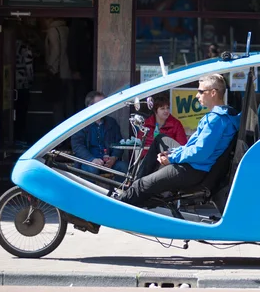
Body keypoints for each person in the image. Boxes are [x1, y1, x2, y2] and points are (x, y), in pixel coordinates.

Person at [119, 74, 240, 207]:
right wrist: (172, 152)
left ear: (213, 93)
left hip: (192, 169)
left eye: (200, 91)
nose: (197, 96)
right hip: (196, 166)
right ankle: (140, 191)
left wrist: (172, 158)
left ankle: (109, 210)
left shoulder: (216, 120)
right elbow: (194, 147)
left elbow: (200, 152)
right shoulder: (226, 114)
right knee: (160, 139)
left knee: (141, 185)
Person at [71, 91, 128, 178]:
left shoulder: (111, 122)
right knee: (92, 169)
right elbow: (77, 146)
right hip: (89, 162)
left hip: (109, 162)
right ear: (90, 107)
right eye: (101, 104)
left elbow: (119, 142)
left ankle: (118, 192)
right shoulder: (81, 124)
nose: (104, 107)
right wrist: (91, 159)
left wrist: (114, 158)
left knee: (123, 167)